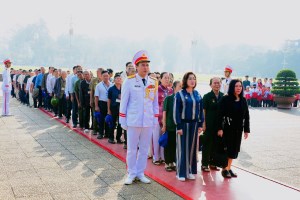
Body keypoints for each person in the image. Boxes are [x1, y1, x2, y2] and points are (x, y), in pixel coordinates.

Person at [119, 50, 159, 185]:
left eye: (147, 65)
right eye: (142, 65)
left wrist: (154, 119)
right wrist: (122, 120)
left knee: (143, 149)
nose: (145, 67)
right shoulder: (129, 81)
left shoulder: (153, 82)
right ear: (136, 66)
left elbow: (154, 103)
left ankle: (140, 172)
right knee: (131, 149)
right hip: (133, 121)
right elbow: (124, 102)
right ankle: (131, 173)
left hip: (147, 121)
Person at [174, 72, 204, 181]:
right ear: (185, 80)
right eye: (190, 78)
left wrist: (200, 124)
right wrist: (179, 126)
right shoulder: (179, 94)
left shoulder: (197, 94)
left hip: (194, 125)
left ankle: (190, 171)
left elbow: (201, 111)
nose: (192, 81)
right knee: (182, 148)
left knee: (192, 148)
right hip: (183, 124)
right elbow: (176, 111)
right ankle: (180, 173)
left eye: (194, 79)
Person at [217, 79, 250, 178]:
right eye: (236, 86)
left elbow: (247, 116)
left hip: (238, 129)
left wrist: (246, 130)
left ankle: (229, 167)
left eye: (240, 86)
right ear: (232, 87)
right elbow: (219, 114)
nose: (238, 88)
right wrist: (220, 128)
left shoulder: (243, 100)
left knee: (234, 150)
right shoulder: (225, 99)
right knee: (227, 149)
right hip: (227, 128)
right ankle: (224, 169)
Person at [201, 77, 224, 172]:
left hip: (219, 125)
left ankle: (213, 163)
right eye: (214, 83)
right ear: (210, 85)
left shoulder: (223, 96)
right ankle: (204, 164)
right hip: (209, 124)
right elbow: (203, 111)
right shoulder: (207, 96)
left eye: (218, 83)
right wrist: (204, 123)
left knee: (216, 145)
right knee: (207, 145)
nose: (217, 84)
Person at [152, 72, 173, 165]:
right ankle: (156, 157)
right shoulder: (156, 89)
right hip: (157, 117)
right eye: (165, 78)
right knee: (156, 138)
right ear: (160, 79)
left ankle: (163, 157)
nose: (167, 79)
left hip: (167, 118)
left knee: (164, 138)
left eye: (168, 78)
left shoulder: (170, 90)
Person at [161, 80, 181, 172]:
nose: (181, 88)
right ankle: (167, 162)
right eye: (179, 86)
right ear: (174, 88)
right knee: (169, 145)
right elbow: (164, 112)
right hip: (170, 125)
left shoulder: (183, 99)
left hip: (179, 127)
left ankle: (173, 162)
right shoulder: (168, 99)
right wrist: (164, 125)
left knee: (176, 145)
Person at [107, 73, 125, 145]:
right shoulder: (111, 89)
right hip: (113, 108)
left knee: (120, 124)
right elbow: (109, 100)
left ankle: (118, 138)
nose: (119, 80)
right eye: (117, 78)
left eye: (120, 79)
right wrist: (109, 110)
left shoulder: (123, 88)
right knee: (112, 123)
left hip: (121, 108)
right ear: (114, 80)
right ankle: (111, 138)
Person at [94, 70, 113, 139]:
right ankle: (101, 133)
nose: (106, 77)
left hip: (110, 104)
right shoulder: (98, 86)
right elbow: (96, 97)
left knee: (108, 119)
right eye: (104, 76)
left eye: (107, 76)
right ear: (101, 77)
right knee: (101, 119)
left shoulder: (112, 85)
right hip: (102, 103)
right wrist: (96, 106)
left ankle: (107, 134)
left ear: (109, 76)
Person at [90, 68, 104, 135]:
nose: (97, 73)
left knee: (102, 116)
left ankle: (101, 129)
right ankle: (94, 129)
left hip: (103, 101)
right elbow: (92, 91)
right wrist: (91, 100)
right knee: (95, 115)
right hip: (95, 100)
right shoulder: (94, 80)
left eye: (98, 72)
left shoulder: (105, 80)